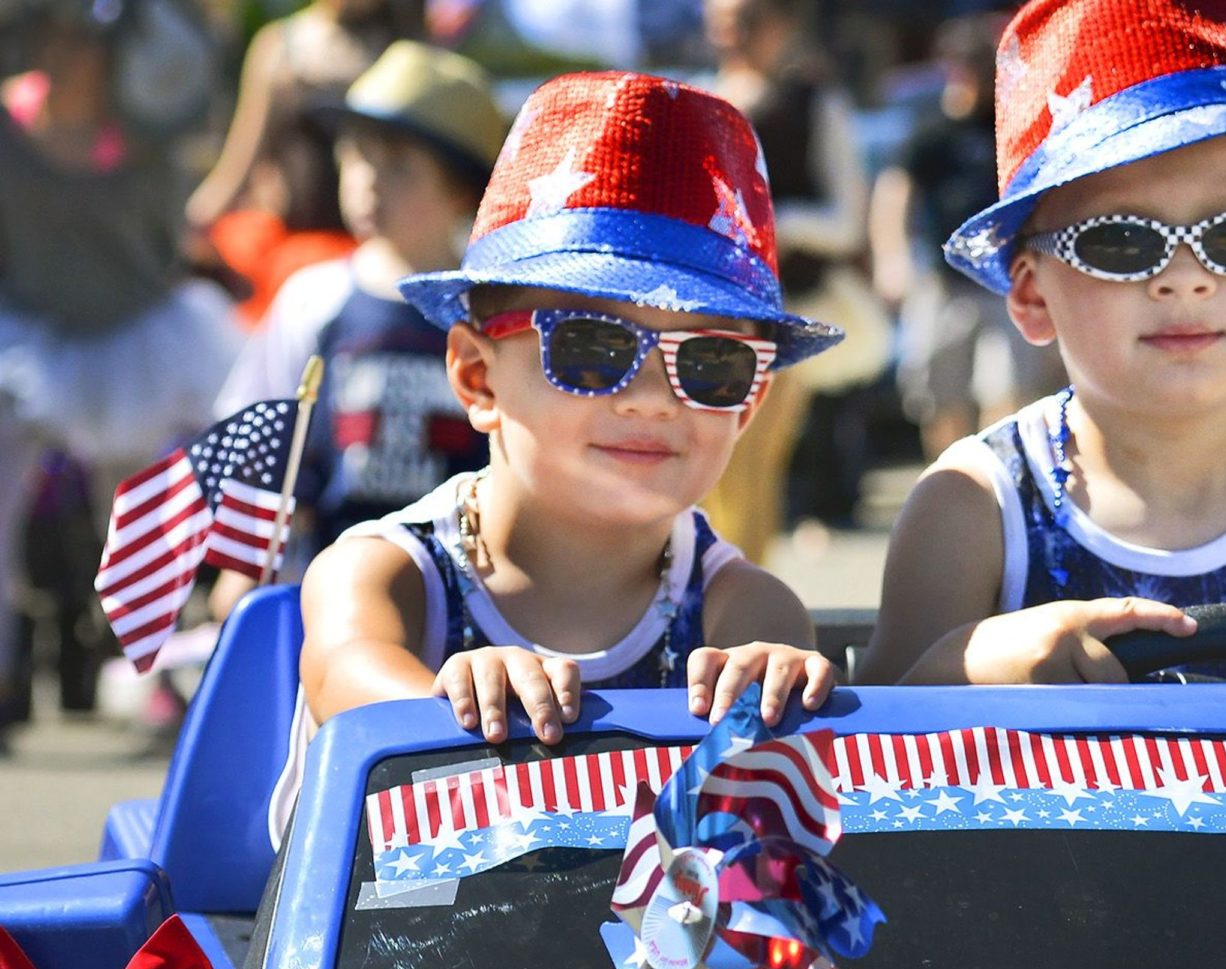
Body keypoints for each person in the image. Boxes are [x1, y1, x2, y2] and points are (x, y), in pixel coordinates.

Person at [272, 71, 847, 839]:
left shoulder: (743, 610)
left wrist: (778, 686)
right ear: (477, 378)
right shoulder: (386, 573)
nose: (651, 397)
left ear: (748, 405)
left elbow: (758, 852)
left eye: (711, 364)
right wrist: (436, 704)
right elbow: (341, 668)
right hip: (369, 955)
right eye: (590, 347)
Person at [862, 0, 1226, 685]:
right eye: (1120, 240)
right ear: (1032, 294)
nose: (1185, 279)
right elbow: (871, 768)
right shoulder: (971, 508)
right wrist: (972, 666)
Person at [0, 0, 240, 749]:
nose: (64, 55)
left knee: (147, 517)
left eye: (81, 41)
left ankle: (160, 678)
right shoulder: (8, 124)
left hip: (143, 338)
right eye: (53, 38)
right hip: (29, 338)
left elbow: (206, 39)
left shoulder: (149, 137)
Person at [209, 40, 503, 616]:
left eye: (400, 167)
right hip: (330, 578)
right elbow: (263, 437)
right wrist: (244, 562)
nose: (370, 181)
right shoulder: (313, 298)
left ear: (462, 191)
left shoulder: (489, 308)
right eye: (358, 157)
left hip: (470, 582)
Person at [699, 0, 887, 560]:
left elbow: (847, 221)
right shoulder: (699, 98)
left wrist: (773, 224)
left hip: (778, 311)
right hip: (700, 311)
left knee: (752, 462)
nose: (734, 36)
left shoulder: (814, 105)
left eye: (748, 21)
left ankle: (741, 597)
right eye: (724, 24)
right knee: (703, 471)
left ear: (780, 27)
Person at [872, 12, 1066, 460]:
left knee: (1010, 391)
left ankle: (999, 490)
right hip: (944, 284)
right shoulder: (932, 133)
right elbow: (894, 195)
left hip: (1006, 282)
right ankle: (950, 483)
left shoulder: (1010, 129)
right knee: (940, 395)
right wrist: (892, 258)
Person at [186, 0, 421, 326]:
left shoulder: (404, 49)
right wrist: (190, 224)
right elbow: (240, 165)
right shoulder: (281, 47)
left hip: (377, 258)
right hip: (295, 253)